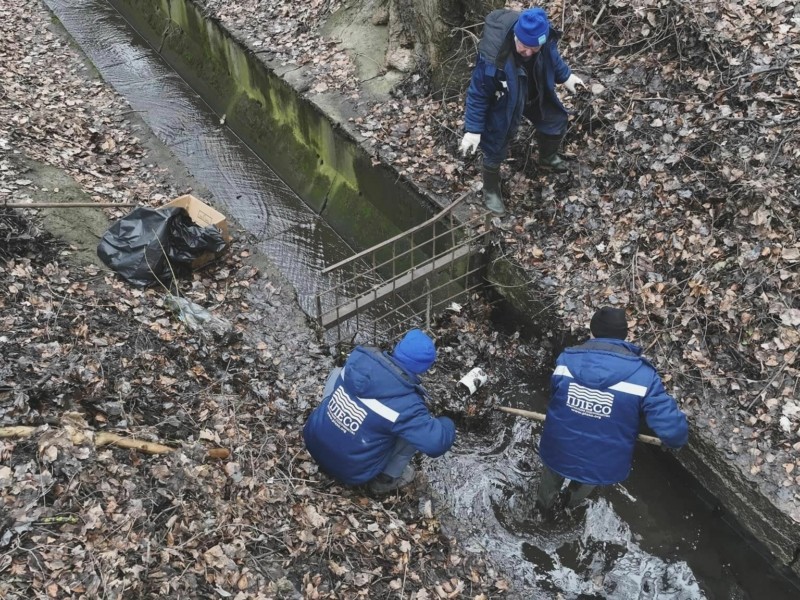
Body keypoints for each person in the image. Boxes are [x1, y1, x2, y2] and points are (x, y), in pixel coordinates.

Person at [536, 307, 688, 512]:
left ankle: (543, 509)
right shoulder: (644, 377)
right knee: (587, 481)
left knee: (551, 477)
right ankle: (568, 506)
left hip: (558, 448)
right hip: (602, 460)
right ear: (624, 334)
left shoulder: (566, 361)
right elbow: (671, 427)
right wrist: (675, 442)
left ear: (593, 331)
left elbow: (555, 395)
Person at [460, 7, 585, 216]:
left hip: (534, 87)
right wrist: (473, 130)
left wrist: (566, 76)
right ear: (516, 36)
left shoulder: (541, 41)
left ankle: (547, 156)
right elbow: (478, 94)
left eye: (533, 48)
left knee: (555, 118)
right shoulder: (492, 56)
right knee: (496, 140)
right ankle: (491, 190)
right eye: (523, 47)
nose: (527, 52)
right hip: (506, 97)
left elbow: (552, 56)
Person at [303, 329, 456, 494]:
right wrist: (447, 422)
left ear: (398, 347)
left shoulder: (361, 356)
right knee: (413, 435)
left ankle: (328, 426)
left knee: (337, 373)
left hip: (311, 439)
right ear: (424, 368)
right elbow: (436, 444)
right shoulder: (408, 404)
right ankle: (384, 480)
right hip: (351, 471)